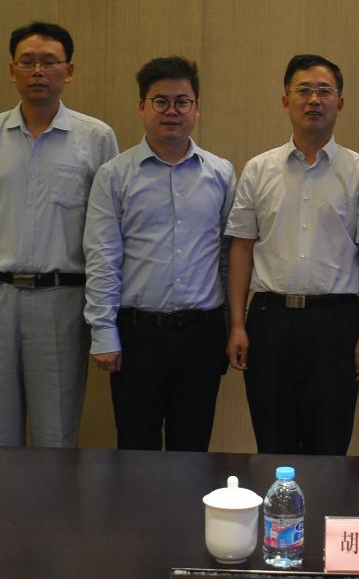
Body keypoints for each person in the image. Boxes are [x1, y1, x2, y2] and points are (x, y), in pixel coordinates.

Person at [0, 22, 117, 448]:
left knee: (55, 434)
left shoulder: (96, 138)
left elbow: (107, 231)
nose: (38, 71)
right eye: (27, 62)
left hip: (62, 299)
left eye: (49, 62)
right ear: (12, 71)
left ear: (69, 71)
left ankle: (53, 498)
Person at [225, 54, 359, 455]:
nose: (314, 100)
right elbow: (241, 248)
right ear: (285, 101)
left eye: (324, 91)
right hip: (269, 321)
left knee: (329, 447)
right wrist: (237, 324)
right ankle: (279, 502)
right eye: (304, 91)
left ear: (340, 103)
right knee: (272, 444)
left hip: (335, 323)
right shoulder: (258, 169)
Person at [84, 56, 235, 451]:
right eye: (160, 101)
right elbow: (102, 256)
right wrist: (103, 331)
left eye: (182, 102)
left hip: (202, 334)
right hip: (138, 334)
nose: (172, 111)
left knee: (193, 449)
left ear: (196, 108)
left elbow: (227, 257)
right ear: (141, 107)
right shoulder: (114, 175)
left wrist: (231, 326)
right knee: (136, 449)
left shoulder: (221, 173)